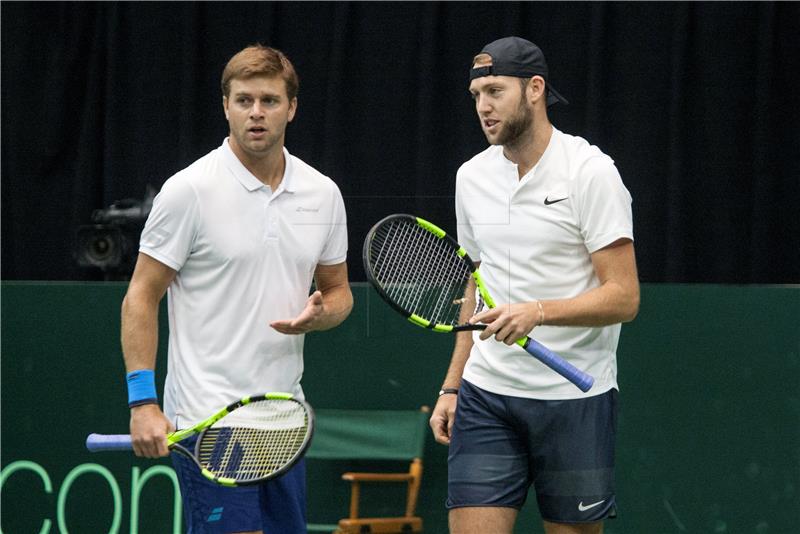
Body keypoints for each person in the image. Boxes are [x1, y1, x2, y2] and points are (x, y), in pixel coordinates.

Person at [121, 44, 353, 534]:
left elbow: (337, 292)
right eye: (244, 100)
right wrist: (143, 402)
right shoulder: (188, 191)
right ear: (226, 105)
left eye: (269, 101)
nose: (256, 113)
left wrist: (323, 313)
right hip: (210, 423)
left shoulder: (323, 193)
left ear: (291, 108)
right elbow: (141, 295)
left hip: (285, 424)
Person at [429, 37, 640, 534]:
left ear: (535, 90)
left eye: (495, 91)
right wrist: (453, 385)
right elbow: (474, 287)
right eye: (476, 93)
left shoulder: (590, 173)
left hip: (575, 400)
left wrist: (537, 311)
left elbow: (624, 297)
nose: (483, 106)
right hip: (488, 396)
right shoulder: (471, 177)